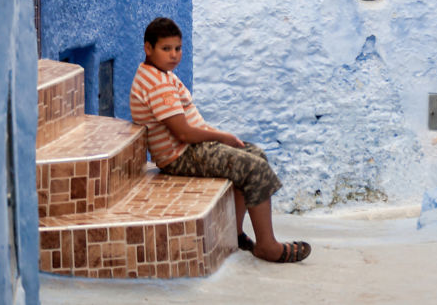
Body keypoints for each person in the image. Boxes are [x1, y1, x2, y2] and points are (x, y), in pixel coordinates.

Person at [129, 17, 311, 263]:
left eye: (178, 48)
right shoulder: (157, 83)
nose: (174, 55)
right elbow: (182, 133)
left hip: (191, 147)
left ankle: (234, 233)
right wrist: (221, 136)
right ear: (148, 48)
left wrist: (219, 138)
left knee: (255, 153)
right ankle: (268, 246)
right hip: (180, 155)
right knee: (253, 167)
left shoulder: (160, 74)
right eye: (166, 49)